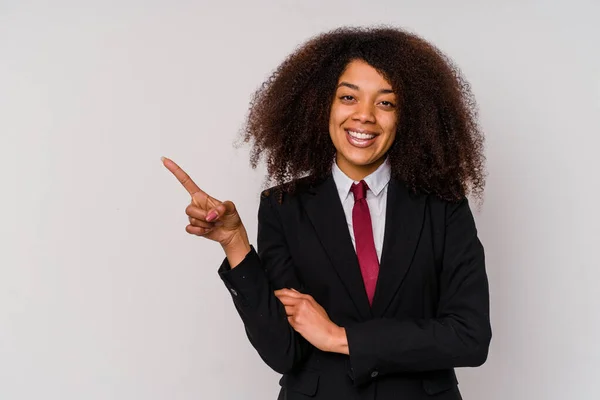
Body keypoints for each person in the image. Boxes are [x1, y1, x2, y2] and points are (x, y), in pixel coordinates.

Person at [163, 26, 491, 400]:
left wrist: (340, 338)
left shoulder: (444, 206)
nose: (364, 115)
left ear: (409, 116)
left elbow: (470, 337)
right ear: (322, 105)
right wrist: (235, 244)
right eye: (348, 97)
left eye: (386, 102)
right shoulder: (283, 206)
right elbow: (283, 352)